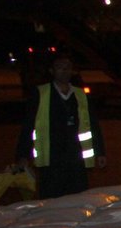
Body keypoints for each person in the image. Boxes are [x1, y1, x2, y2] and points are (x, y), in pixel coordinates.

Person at [15, 53, 106, 198]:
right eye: (59, 67)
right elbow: (28, 125)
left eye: (67, 67)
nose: (64, 71)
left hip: (75, 157)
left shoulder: (80, 94)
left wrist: (100, 151)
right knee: (51, 198)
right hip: (51, 158)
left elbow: (92, 124)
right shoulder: (41, 93)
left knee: (78, 198)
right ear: (51, 71)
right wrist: (23, 155)